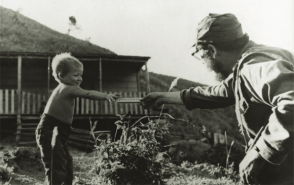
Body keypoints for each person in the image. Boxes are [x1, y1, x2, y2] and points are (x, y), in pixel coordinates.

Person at [141, 13, 294, 185]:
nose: (204, 64)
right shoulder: (264, 56)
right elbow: (221, 91)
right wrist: (163, 97)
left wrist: (259, 154)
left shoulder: (251, 67)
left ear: (212, 51)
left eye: (201, 56)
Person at [35, 53, 119, 185]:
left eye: (80, 75)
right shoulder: (67, 88)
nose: (80, 79)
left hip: (59, 131)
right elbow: (88, 93)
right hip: (50, 130)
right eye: (75, 75)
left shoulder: (65, 88)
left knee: (67, 163)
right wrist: (106, 96)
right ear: (61, 75)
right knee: (57, 165)